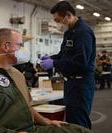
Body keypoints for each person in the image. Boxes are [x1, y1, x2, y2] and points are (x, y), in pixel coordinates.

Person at [0, 28, 92, 133]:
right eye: (20, 45)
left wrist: (47, 121)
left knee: (80, 131)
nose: (24, 49)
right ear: (6, 46)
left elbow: (27, 108)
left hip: (31, 129)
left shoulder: (18, 75)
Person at [40, 1, 96, 129]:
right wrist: (51, 58)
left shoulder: (83, 32)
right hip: (70, 83)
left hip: (81, 84)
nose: (58, 23)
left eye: (58, 19)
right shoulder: (69, 32)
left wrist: (54, 63)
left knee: (79, 122)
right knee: (71, 120)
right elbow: (63, 55)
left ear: (68, 15)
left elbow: (81, 63)